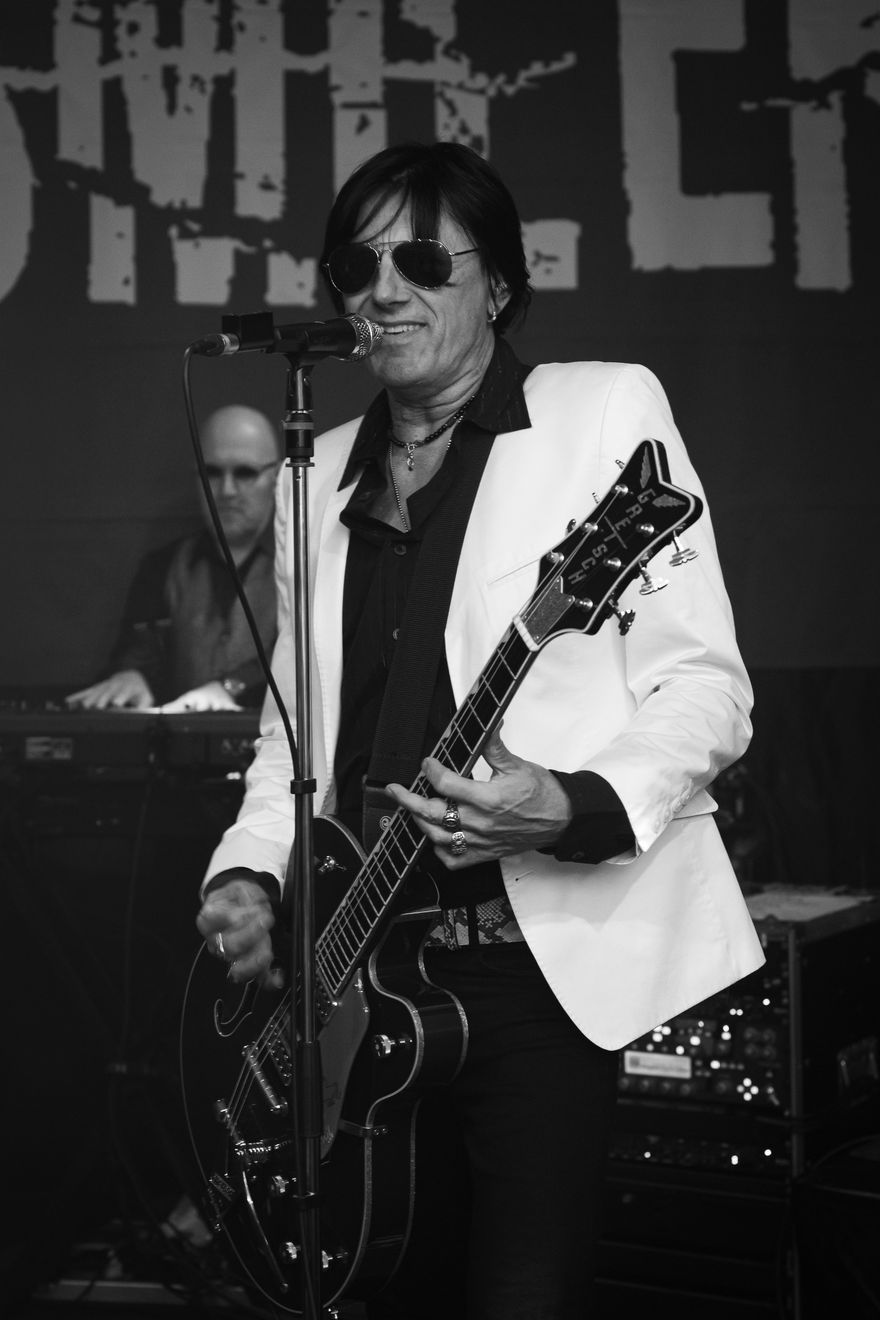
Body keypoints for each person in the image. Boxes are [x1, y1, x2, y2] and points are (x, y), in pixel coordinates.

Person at [194, 141, 764, 1319]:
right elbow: (292, 739)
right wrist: (248, 874)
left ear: (497, 283)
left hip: (529, 969)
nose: (383, 291)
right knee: (387, 1292)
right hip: (356, 974)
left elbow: (705, 689)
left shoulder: (600, 410)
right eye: (357, 267)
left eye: (419, 262)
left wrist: (569, 805)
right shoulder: (314, 477)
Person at [67, 404, 281, 713]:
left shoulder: (302, 562)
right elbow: (142, 649)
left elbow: (307, 656)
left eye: (245, 473)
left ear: (276, 476)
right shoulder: (163, 565)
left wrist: (230, 687)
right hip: (183, 740)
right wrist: (131, 675)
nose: (227, 490)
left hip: (281, 739)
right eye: (212, 473)